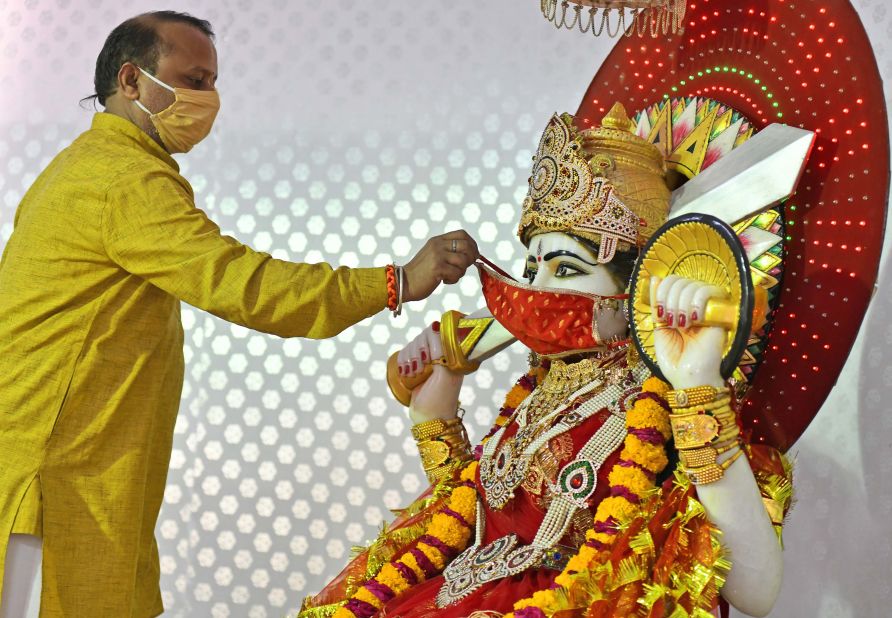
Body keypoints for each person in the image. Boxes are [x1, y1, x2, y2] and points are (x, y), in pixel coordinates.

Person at [0, 10, 479, 618]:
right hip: (55, 491)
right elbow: (245, 285)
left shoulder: (92, 168)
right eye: (193, 80)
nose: (208, 99)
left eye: (213, 82)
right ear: (131, 81)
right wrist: (399, 281)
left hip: (80, 480)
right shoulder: (123, 181)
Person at [300, 105, 793, 617]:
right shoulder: (539, 390)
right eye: (533, 267)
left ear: (638, 286)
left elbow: (754, 593)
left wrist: (696, 382)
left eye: (566, 268)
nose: (536, 289)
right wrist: (434, 420)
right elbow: (469, 524)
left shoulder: (669, 400)